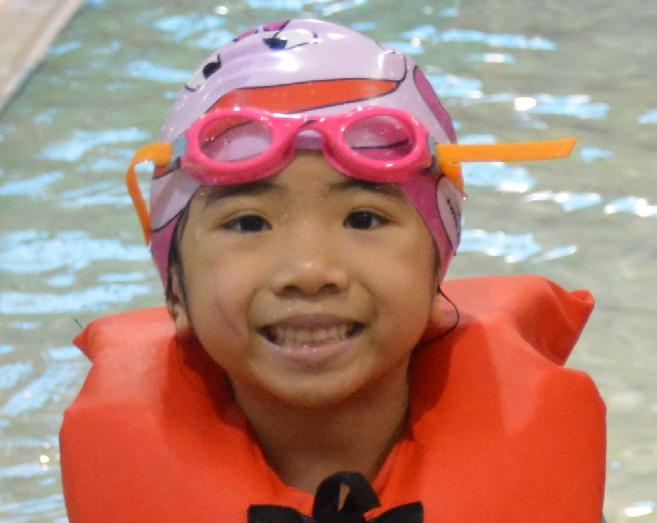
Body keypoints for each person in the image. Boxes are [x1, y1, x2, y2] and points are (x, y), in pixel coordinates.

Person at [60, 19, 606, 522]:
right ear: (176, 290)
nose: (309, 270)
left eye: (363, 219)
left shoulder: (538, 468)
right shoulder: (122, 475)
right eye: (248, 223)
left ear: (435, 275)